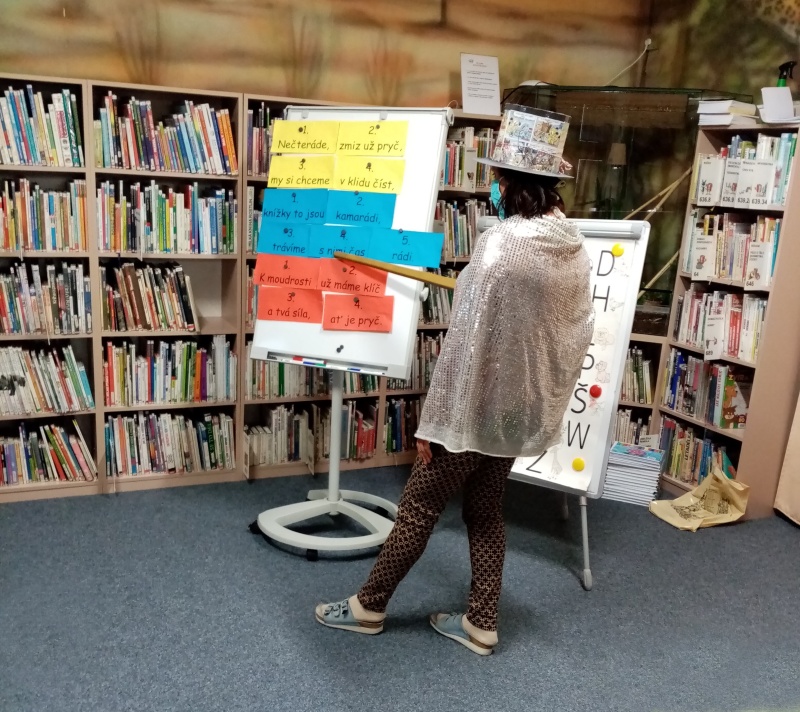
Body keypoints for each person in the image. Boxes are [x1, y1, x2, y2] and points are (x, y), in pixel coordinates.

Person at [316, 126, 594, 656]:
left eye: (498, 177)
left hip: (475, 407)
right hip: (519, 408)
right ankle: (481, 622)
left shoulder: (501, 245)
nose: (494, 186)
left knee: (419, 506)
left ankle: (368, 607)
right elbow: (575, 327)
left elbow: (466, 343)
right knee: (485, 510)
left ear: (512, 183)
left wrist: (434, 421)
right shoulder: (572, 245)